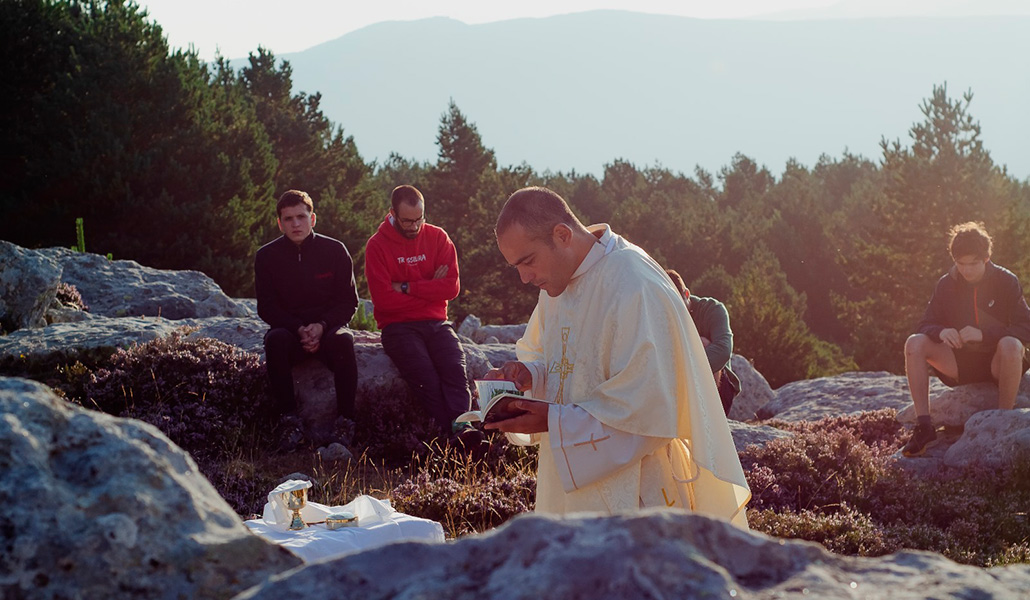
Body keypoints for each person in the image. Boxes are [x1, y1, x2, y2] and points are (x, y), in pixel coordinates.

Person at [484, 186, 749, 527]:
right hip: (567, 489)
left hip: (633, 494)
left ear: (562, 235)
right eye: (515, 267)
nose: (524, 278)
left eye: (528, 261)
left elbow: (652, 403)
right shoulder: (556, 285)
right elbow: (570, 370)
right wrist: (528, 378)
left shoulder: (634, 282)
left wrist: (553, 420)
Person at [364, 185, 481, 446]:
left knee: (454, 368)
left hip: (437, 323)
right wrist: (430, 289)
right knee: (425, 378)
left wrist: (406, 287)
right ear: (392, 213)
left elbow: (451, 288)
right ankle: (450, 437)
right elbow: (383, 300)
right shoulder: (377, 246)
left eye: (420, 219)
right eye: (408, 221)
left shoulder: (438, 238)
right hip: (398, 328)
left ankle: (463, 428)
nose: (415, 226)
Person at [902, 222, 1030, 457]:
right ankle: (924, 426)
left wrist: (985, 334)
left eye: (973, 263)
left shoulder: (1006, 281)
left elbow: (1026, 327)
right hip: (960, 365)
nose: (967, 270)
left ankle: (1001, 422)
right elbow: (924, 324)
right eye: (961, 264)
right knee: (914, 343)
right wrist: (940, 331)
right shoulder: (946, 283)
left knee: (1011, 344)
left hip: (998, 364)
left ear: (986, 258)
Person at [255, 189, 359, 428]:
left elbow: (348, 302)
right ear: (280, 224)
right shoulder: (266, 256)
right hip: (290, 334)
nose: (296, 224)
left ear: (312, 219)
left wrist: (322, 326)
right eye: (288, 219)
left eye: (301, 217)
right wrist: (299, 328)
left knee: (344, 340)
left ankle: (346, 422)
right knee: (274, 341)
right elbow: (267, 307)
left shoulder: (335, 251)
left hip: (329, 332)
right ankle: (289, 420)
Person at [665, 269, 741, 416]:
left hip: (719, 389)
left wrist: (684, 370)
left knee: (701, 343)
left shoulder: (712, 309)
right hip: (677, 390)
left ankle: (709, 418)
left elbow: (723, 350)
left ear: (686, 294)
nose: (675, 313)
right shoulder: (663, 317)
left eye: (678, 305)